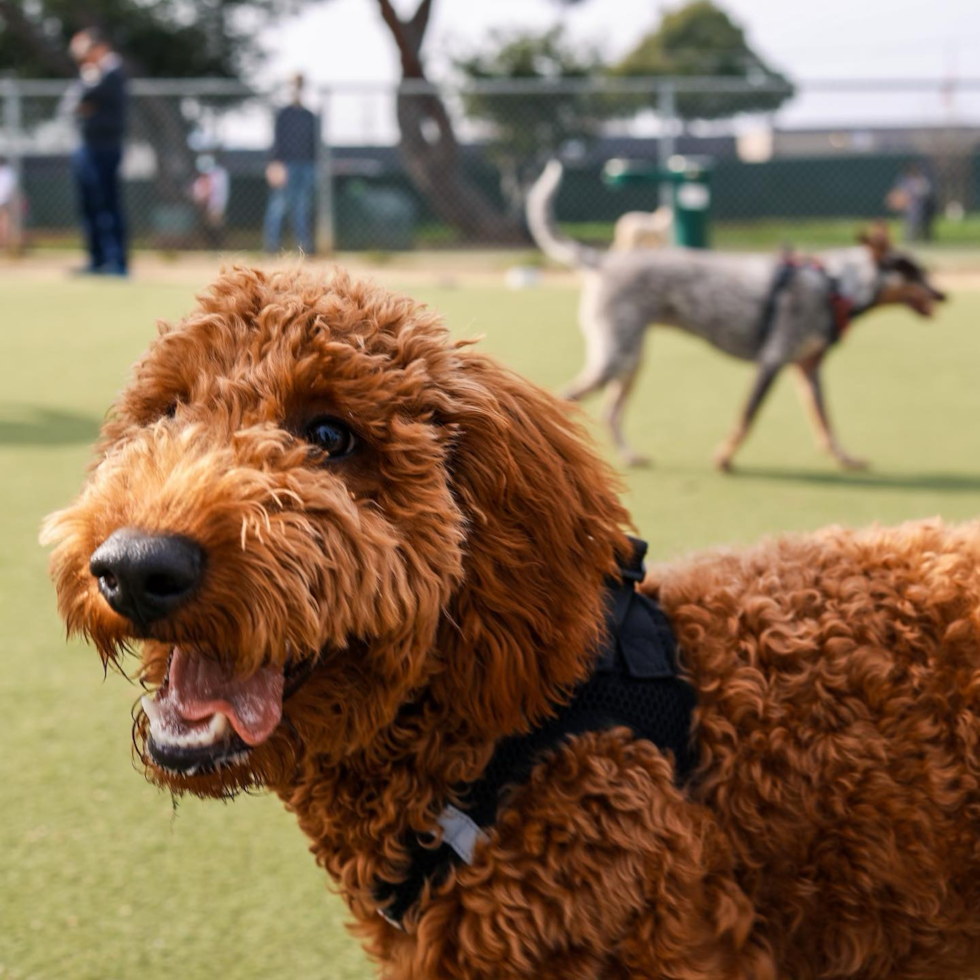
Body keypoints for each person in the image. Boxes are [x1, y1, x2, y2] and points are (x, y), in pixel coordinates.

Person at [67, 27, 128, 275]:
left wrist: (87, 98)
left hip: (105, 147)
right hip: (87, 147)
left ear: (99, 47)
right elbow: (72, 105)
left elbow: (89, 96)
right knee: (89, 206)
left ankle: (116, 261)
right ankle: (97, 260)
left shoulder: (112, 72)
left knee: (107, 205)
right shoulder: (91, 74)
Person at [263, 73, 318, 254]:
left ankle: (304, 249)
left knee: (301, 208)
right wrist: (275, 165)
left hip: (306, 166)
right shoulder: (283, 115)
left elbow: (314, 145)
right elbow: (276, 143)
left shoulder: (309, 116)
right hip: (285, 165)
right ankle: (272, 248)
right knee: (279, 207)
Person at [886, 163, 937, 243]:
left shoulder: (921, 180)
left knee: (920, 222)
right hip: (908, 205)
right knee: (908, 222)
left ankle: (921, 237)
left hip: (920, 205)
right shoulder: (903, 180)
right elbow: (898, 193)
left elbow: (924, 192)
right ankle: (909, 238)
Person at [191, 153, 230, 249]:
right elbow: (198, 192)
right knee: (206, 226)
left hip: (215, 204)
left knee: (216, 224)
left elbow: (218, 193)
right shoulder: (201, 178)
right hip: (203, 206)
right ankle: (208, 245)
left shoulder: (219, 175)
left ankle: (218, 246)